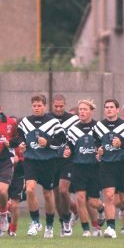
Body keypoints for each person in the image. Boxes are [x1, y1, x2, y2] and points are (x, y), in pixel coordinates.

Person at [18, 94, 66, 238]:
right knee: (30, 190)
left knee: (47, 193)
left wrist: (48, 143)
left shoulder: (53, 123)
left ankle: (50, 225)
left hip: (49, 161)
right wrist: (21, 144)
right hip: (31, 160)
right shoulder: (25, 122)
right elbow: (20, 137)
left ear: (44, 106)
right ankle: (35, 221)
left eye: (39, 106)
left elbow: (62, 141)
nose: (37, 108)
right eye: (34, 106)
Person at [93, 99, 124, 239]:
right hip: (106, 164)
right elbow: (96, 142)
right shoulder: (99, 126)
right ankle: (111, 228)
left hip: (123, 164)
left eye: (111, 107)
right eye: (106, 107)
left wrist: (122, 143)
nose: (109, 109)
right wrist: (98, 150)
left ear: (117, 109)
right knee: (109, 196)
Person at [64, 99, 104, 237]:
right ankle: (86, 229)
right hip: (78, 168)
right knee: (80, 198)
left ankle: (101, 209)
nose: (82, 112)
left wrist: (101, 152)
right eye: (80, 109)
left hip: (95, 169)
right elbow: (69, 149)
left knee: (92, 201)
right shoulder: (73, 130)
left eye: (85, 109)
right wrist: (67, 152)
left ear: (91, 111)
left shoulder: (99, 127)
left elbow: (105, 145)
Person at [0, 98, 21, 237]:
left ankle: (3, 213)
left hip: (5, 161)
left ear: (0, 109)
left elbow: (19, 138)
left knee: (2, 191)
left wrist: (10, 143)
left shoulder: (11, 123)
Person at [49, 94, 80, 236]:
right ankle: (63, 221)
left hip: (68, 161)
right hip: (50, 160)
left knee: (63, 190)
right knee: (56, 194)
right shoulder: (47, 119)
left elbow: (80, 137)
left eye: (61, 106)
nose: (59, 109)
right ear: (52, 104)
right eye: (56, 106)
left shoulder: (73, 120)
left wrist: (72, 149)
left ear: (65, 104)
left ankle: (67, 220)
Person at [7, 122, 26, 237]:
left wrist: (20, 159)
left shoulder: (26, 142)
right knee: (1, 199)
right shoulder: (8, 141)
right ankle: (2, 222)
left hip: (19, 175)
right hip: (5, 173)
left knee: (14, 204)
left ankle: (13, 228)